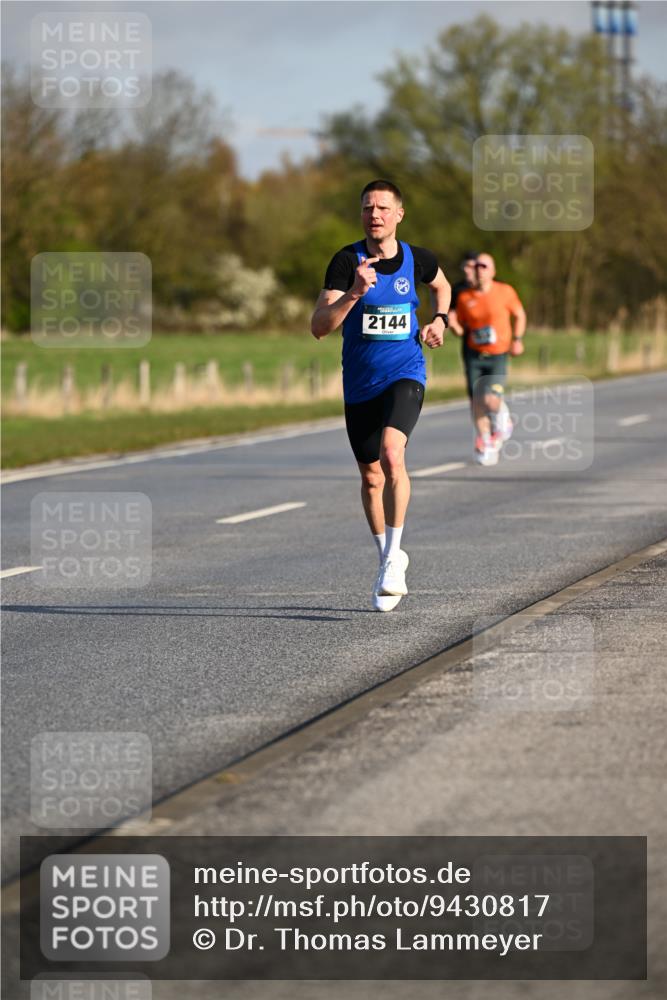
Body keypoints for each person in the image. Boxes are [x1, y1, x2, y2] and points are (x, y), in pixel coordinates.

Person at [310, 179, 451, 611]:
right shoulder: (345, 261)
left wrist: (440, 320)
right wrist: (354, 291)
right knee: (371, 477)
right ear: (362, 215)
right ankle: (387, 558)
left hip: (406, 373)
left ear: (399, 215)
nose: (376, 214)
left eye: (383, 208)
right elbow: (319, 327)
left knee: (393, 454)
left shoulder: (418, 259)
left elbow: (442, 287)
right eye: (368, 208)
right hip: (359, 385)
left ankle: (394, 558)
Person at [448, 253, 526, 466]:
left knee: (491, 399)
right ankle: (485, 441)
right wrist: (453, 324)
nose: (479, 269)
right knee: (476, 402)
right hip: (474, 355)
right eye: (477, 266)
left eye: (484, 266)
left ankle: (503, 418)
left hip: (498, 354)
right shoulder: (465, 297)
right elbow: (461, 329)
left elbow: (520, 314)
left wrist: (517, 339)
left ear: (493, 271)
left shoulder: (505, 291)